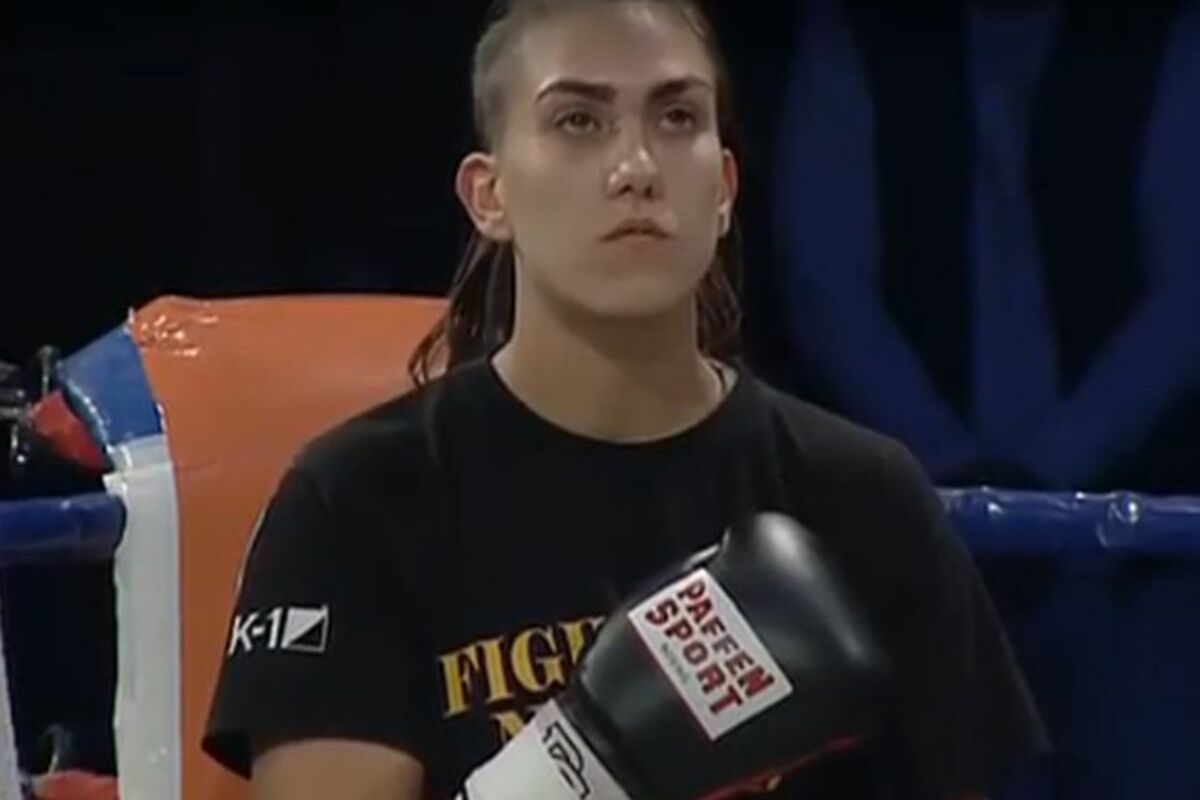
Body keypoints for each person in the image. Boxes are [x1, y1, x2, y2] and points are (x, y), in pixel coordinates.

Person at [202, 0, 1049, 798]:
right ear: (490, 196)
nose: (637, 168)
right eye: (579, 120)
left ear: (724, 188)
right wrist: (579, 769)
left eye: (676, 117)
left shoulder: (865, 497)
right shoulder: (357, 500)